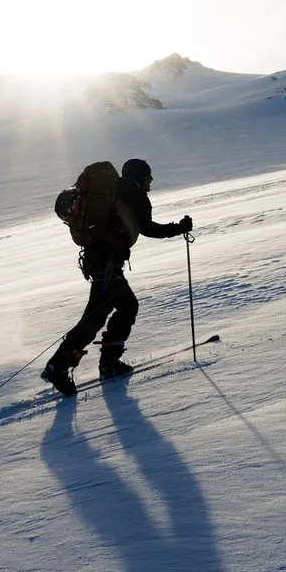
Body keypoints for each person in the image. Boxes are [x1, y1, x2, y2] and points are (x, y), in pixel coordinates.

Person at [44, 156, 191, 396]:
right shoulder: (134, 195)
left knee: (125, 307)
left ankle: (106, 363)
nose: (150, 183)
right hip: (107, 265)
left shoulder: (116, 192)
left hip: (100, 263)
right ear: (139, 177)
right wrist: (179, 228)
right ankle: (59, 365)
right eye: (148, 177)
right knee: (96, 317)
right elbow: (148, 229)